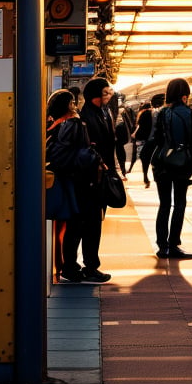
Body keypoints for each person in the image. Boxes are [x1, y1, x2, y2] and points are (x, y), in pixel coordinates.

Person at [45, 89, 107, 283]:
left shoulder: (52, 124)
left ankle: (70, 266)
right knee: (89, 225)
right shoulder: (73, 123)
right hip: (83, 182)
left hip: (69, 182)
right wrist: (94, 156)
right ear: (69, 105)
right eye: (73, 102)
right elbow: (77, 153)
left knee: (74, 225)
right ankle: (87, 267)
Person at [151, 79, 192, 260]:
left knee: (164, 204)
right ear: (185, 95)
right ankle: (174, 244)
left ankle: (162, 246)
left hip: (162, 164)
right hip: (183, 164)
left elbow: (155, 139)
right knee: (179, 204)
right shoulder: (190, 114)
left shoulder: (161, 113)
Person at [74, 77, 117, 282]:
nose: (108, 95)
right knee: (89, 223)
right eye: (105, 92)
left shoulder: (104, 113)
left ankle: (85, 264)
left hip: (101, 177)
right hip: (91, 179)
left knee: (92, 223)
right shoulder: (87, 118)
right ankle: (88, 266)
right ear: (96, 95)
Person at [130, 101, 154, 186]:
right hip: (149, 139)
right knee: (147, 157)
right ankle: (146, 176)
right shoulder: (152, 114)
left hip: (141, 138)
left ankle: (145, 175)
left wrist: (134, 134)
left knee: (143, 157)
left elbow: (139, 126)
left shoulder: (142, 114)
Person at [114, 103, 134, 177]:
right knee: (120, 151)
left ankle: (123, 170)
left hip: (118, 135)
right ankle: (123, 170)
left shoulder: (119, 112)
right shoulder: (123, 112)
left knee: (120, 152)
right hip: (120, 135)